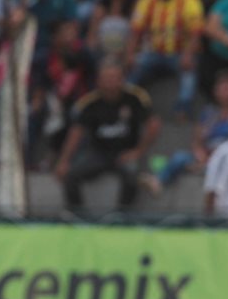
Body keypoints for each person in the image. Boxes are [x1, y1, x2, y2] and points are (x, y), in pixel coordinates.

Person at [56, 58, 161, 213]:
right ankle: (78, 218)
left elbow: (154, 125)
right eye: (106, 79)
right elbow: (76, 133)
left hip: (126, 152)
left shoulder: (135, 97)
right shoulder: (89, 103)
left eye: (114, 78)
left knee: (131, 177)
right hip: (98, 153)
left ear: (122, 79)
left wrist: (138, 151)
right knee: (71, 176)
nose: (110, 83)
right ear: (98, 81)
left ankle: (121, 219)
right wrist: (64, 161)